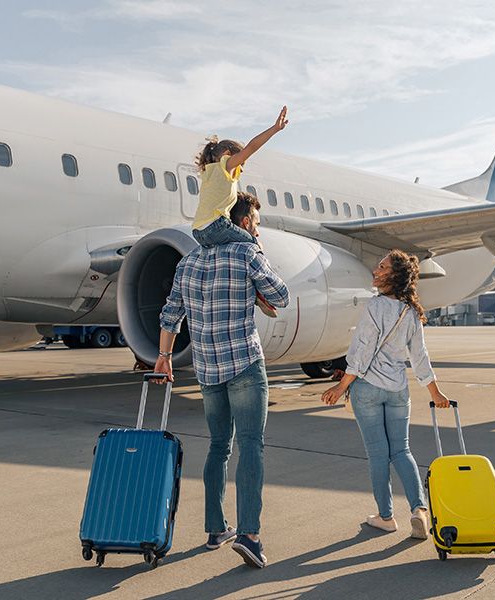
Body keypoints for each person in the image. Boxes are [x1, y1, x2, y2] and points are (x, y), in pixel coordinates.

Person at [154, 192, 290, 568]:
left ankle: (216, 528)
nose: (257, 228)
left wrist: (164, 358)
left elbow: (170, 316)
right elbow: (282, 294)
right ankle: (250, 534)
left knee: (218, 447)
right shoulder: (247, 253)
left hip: (207, 370)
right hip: (244, 364)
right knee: (251, 447)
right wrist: (257, 249)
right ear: (244, 223)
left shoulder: (190, 260)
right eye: (256, 223)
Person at [321, 250, 450, 539]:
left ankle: (386, 517)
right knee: (402, 450)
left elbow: (362, 351)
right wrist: (435, 391)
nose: (376, 271)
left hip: (367, 389)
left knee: (378, 455)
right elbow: (419, 357)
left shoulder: (375, 306)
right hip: (397, 390)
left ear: (394, 276)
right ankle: (419, 511)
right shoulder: (412, 311)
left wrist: (341, 386)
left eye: (382, 268)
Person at [191, 106, 288, 248]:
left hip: (198, 231)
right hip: (216, 226)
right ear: (227, 154)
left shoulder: (208, 172)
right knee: (255, 244)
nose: (241, 170)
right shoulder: (227, 164)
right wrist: (274, 129)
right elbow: (252, 147)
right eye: (241, 163)